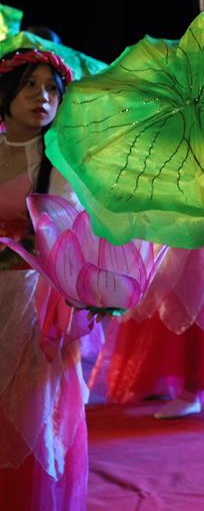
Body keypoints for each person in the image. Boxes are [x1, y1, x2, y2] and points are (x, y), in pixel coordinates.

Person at [0, 48, 89, 510]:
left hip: (34, 302)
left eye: (53, 88)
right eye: (31, 85)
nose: (43, 96)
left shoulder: (58, 162)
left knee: (27, 409)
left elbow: (71, 235)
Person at [90, 229, 204, 420]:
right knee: (157, 304)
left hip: (195, 238)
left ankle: (190, 392)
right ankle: (159, 379)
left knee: (192, 307)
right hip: (165, 232)